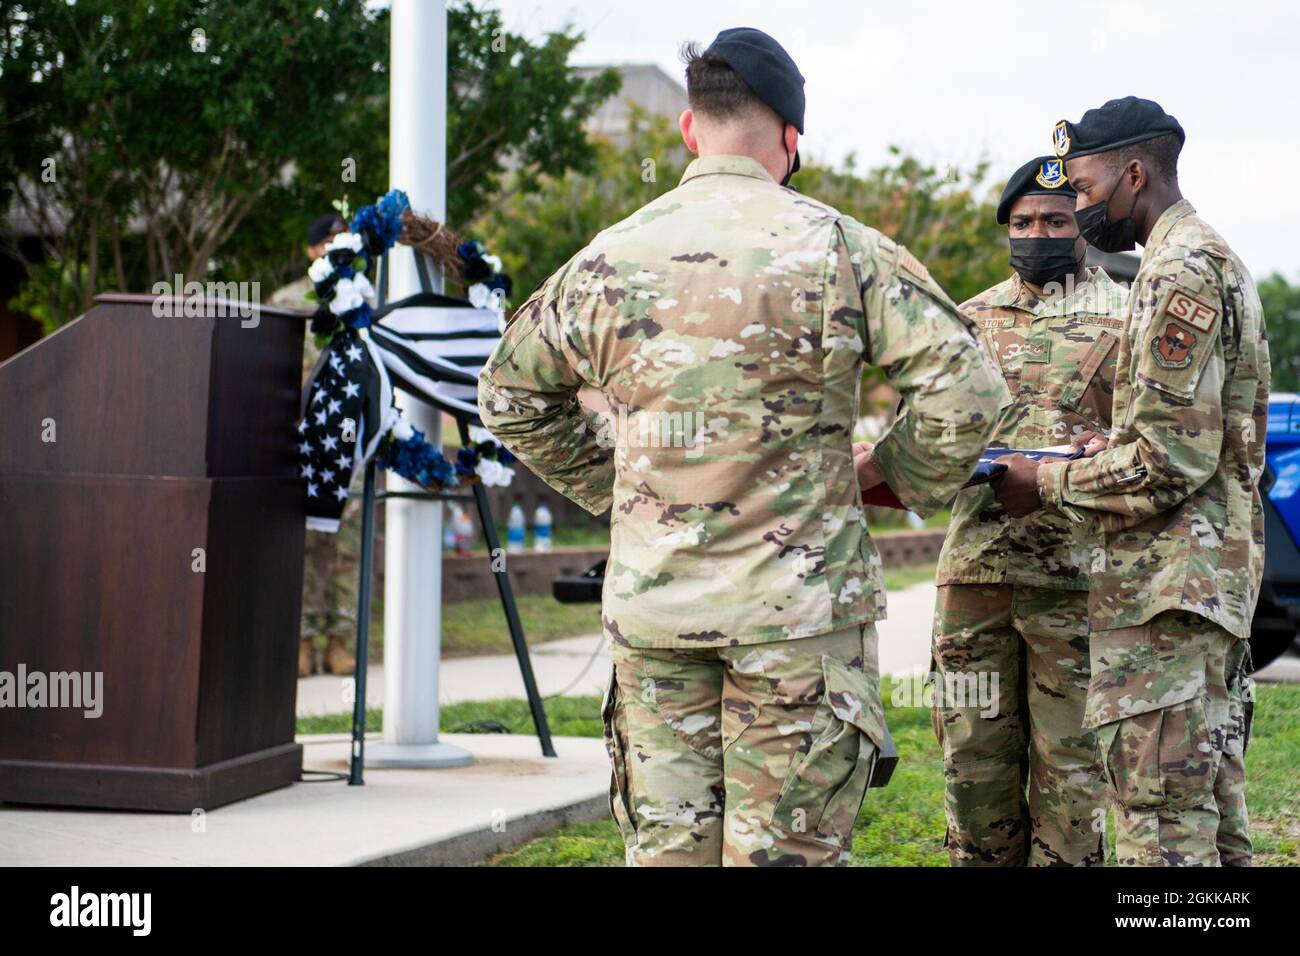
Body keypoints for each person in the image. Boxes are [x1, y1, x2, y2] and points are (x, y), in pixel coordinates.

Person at [479, 27, 1006, 866]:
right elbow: (970, 391)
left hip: (657, 621)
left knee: (668, 857)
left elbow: (509, 395)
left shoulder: (607, 257)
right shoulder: (841, 248)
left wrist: (624, 493)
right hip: (799, 623)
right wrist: (884, 476)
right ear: (791, 140)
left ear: (690, 130)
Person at [993, 97, 1268, 866]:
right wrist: (1098, 448)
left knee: (1161, 818)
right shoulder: (1210, 259)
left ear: (1134, 173)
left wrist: (1045, 483)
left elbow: (1165, 461)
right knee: (1210, 811)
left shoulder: (1176, 271)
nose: (1076, 209)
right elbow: (1192, 436)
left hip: (1167, 593)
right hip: (1201, 585)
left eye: (1081, 190)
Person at [931, 156, 1126, 866]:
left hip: (1076, 585)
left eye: (1054, 220)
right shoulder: (967, 319)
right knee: (972, 767)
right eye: (1022, 222)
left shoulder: (1129, 314)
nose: (1037, 233)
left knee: (1073, 779)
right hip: (975, 580)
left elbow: (1149, 447)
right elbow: (929, 432)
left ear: (1083, 227)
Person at [272, 213, 358, 678]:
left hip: (349, 444)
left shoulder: (362, 302)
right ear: (310, 251)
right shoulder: (287, 303)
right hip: (298, 444)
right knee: (299, 545)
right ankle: (301, 640)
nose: (334, 248)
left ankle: (339, 641)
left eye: (342, 240)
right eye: (326, 242)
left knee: (345, 548)